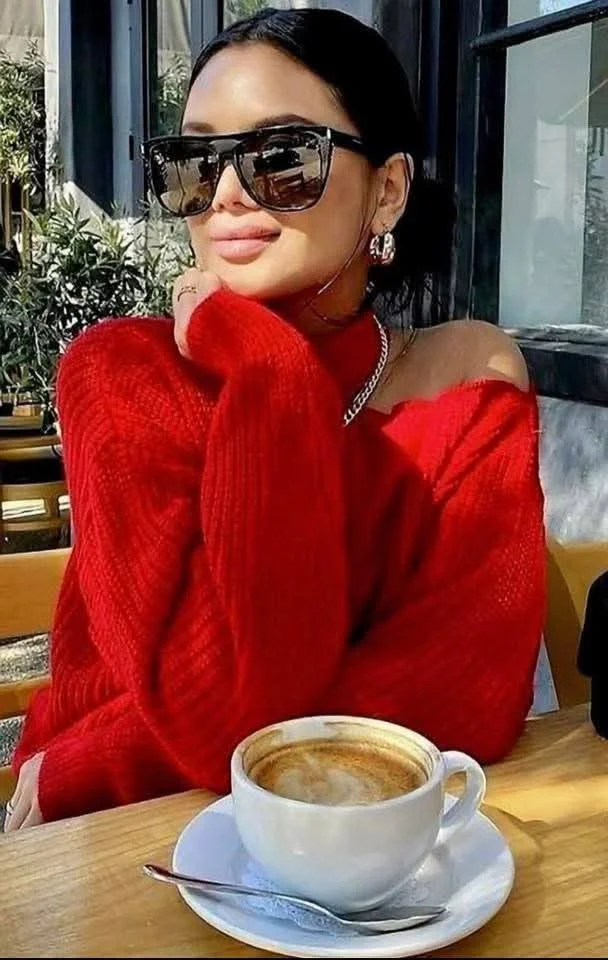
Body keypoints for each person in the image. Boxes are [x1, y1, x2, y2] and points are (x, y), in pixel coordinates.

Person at [5, 8, 545, 832]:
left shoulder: (465, 376)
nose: (224, 193)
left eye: (283, 157)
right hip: (112, 834)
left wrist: (108, 752)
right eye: (193, 162)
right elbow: (223, 705)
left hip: (331, 839)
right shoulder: (121, 376)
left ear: (387, 191)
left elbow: (468, 693)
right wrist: (269, 371)